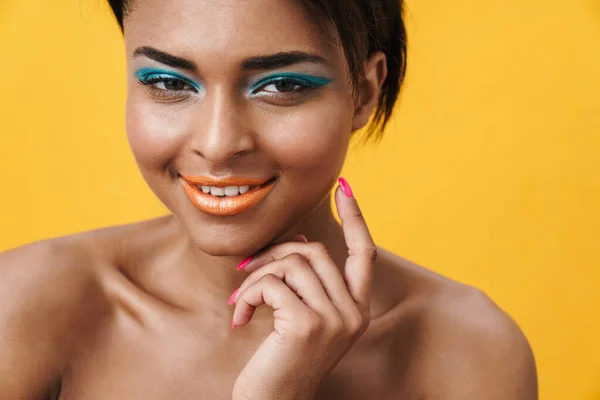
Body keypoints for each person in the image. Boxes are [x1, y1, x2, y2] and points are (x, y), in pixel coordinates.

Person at [0, 0, 538, 398]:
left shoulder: (468, 352)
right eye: (168, 81)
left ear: (365, 93)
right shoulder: (24, 307)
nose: (217, 144)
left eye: (281, 86)